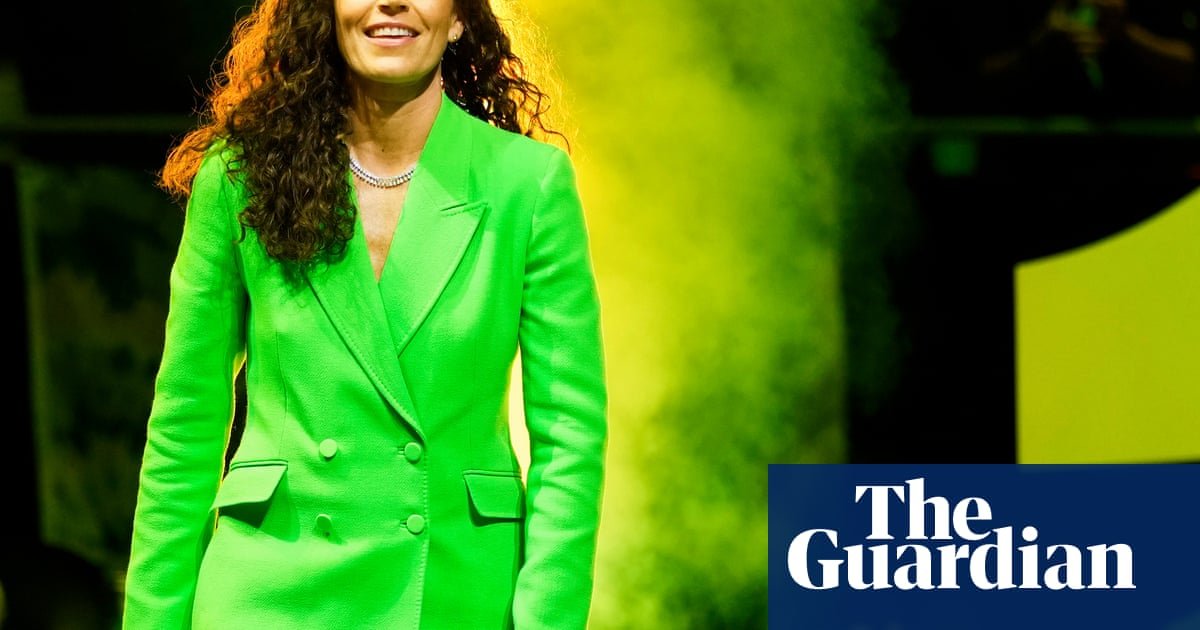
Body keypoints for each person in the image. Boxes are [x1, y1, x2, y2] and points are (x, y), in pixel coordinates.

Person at [120, 0, 608, 628]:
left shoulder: (526, 184)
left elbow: (570, 435)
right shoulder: (241, 176)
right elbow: (185, 423)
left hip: (452, 592)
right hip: (270, 593)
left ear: (459, 17)